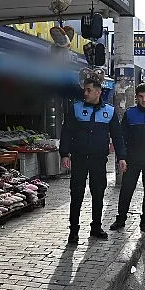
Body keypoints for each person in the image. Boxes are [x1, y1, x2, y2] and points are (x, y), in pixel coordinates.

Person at [60, 76, 127, 244]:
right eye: (85, 90)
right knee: (76, 195)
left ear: (99, 92)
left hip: (98, 160)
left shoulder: (109, 111)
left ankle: (96, 227)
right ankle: (73, 231)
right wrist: (64, 154)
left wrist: (122, 157)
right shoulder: (75, 109)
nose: (85, 93)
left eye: (89, 90)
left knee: (98, 194)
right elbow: (66, 132)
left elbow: (117, 136)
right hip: (79, 159)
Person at [110, 83, 145, 233]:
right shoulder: (130, 114)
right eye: (140, 96)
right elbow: (122, 138)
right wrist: (122, 157)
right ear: (136, 97)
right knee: (126, 190)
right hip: (132, 160)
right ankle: (121, 219)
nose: (143, 99)